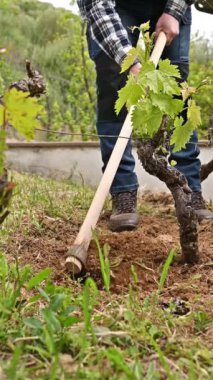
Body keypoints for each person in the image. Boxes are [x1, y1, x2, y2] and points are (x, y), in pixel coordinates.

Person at [77, 0, 213, 231]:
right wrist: (132, 64)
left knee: (177, 87)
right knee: (113, 80)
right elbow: (96, 7)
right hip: (116, 6)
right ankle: (123, 192)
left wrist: (173, 12)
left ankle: (190, 189)